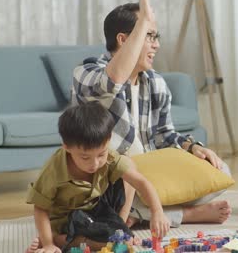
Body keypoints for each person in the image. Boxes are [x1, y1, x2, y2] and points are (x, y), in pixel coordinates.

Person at [71, 0, 231, 228]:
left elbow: (165, 135)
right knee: (112, 188)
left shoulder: (154, 81)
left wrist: (192, 147)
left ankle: (137, 215)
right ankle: (183, 215)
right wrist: (143, 19)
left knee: (220, 169)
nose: (156, 45)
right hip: (110, 178)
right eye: (149, 36)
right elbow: (112, 80)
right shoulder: (86, 73)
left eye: (157, 37)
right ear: (124, 40)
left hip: (148, 176)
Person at [25, 102, 170, 253]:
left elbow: (141, 182)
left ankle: (119, 226)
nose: (95, 164)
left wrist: (157, 211)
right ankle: (57, 239)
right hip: (69, 219)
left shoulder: (109, 157)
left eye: (101, 154)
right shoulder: (54, 170)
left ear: (108, 140)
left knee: (129, 166)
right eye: (85, 158)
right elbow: (40, 208)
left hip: (98, 208)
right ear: (67, 147)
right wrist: (48, 243)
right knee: (105, 243)